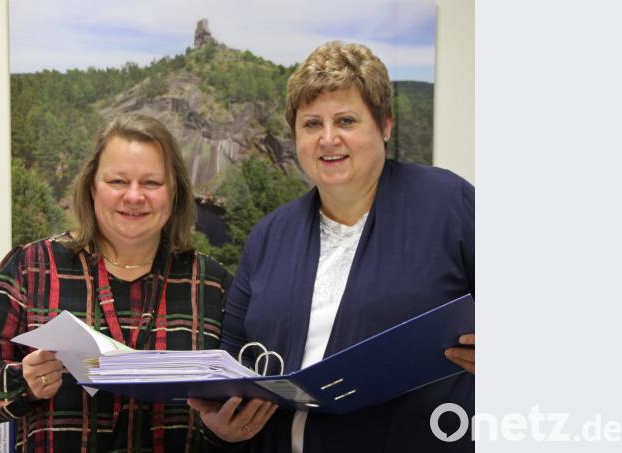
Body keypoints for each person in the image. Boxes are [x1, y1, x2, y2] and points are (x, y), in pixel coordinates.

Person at [189, 41, 475, 451]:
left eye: (345, 120)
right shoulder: (270, 236)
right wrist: (223, 428)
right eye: (311, 124)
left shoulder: (448, 203)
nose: (327, 139)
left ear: (386, 125)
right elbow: (232, 365)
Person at [0, 114, 254, 452]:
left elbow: (244, 396)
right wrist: (22, 382)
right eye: (117, 181)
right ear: (92, 186)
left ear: (174, 192)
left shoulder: (212, 284)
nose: (133, 196)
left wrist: (227, 431)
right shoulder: (30, 267)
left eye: (151, 183)